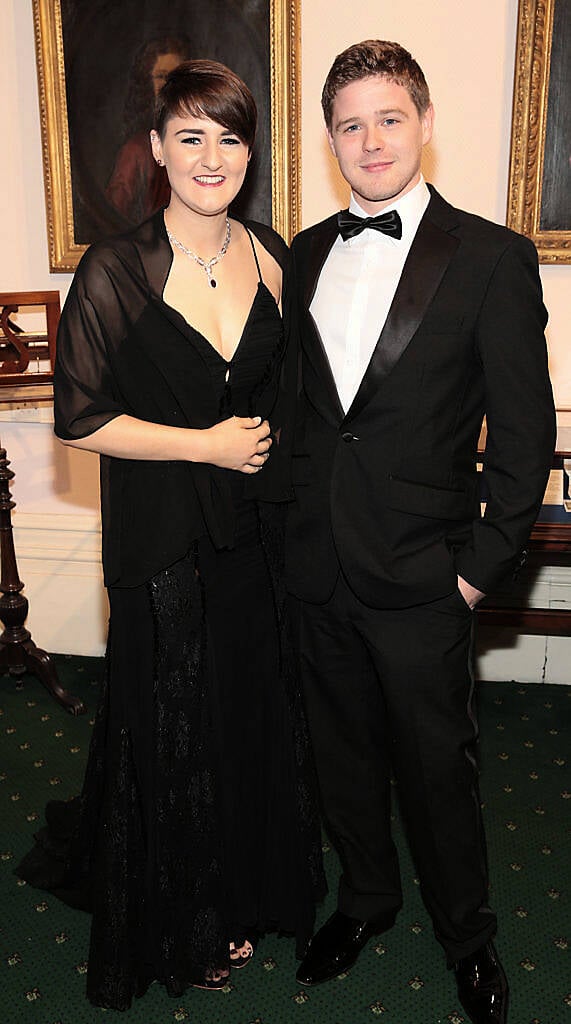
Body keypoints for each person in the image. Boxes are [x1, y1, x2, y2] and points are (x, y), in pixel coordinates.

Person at [16, 59, 325, 1010]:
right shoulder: (114, 269)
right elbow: (79, 418)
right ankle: (186, 917)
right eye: (189, 135)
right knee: (175, 723)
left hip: (258, 536)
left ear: (249, 155)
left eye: (230, 137)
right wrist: (204, 446)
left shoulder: (272, 250)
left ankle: (248, 888)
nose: (211, 156)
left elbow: (300, 392)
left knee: (249, 713)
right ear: (154, 151)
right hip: (162, 541)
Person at [286, 39, 556, 1024]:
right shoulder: (302, 254)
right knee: (343, 761)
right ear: (329, 138)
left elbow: (525, 441)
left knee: (439, 776)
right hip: (317, 574)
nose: (369, 140)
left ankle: (469, 938)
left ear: (424, 121)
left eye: (387, 117)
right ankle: (364, 898)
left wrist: (478, 576)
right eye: (350, 124)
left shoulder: (490, 257)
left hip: (425, 579)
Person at [105, 36, 189, 224]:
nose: (170, 86)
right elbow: (115, 212)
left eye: (176, 77)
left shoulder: (201, 145)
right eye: (161, 76)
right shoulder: (136, 150)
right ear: (147, 82)